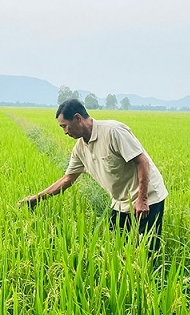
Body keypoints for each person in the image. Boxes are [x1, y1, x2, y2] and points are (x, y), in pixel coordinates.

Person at [20, 99, 168, 254]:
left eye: (65, 126)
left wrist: (143, 199)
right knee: (118, 249)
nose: (64, 132)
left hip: (147, 197)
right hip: (120, 202)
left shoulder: (113, 131)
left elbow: (142, 162)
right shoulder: (80, 149)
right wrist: (36, 198)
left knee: (146, 251)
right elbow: (67, 179)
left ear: (78, 118)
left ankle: (149, 276)